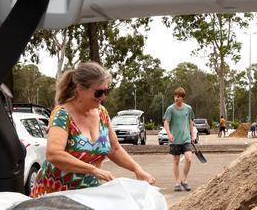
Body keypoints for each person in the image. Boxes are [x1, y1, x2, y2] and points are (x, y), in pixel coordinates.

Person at [30, 62, 155, 198]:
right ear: (79, 88)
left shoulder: (102, 113)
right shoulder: (62, 114)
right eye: (99, 92)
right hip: (55, 195)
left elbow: (114, 149)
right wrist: (93, 170)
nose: (103, 97)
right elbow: (54, 154)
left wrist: (137, 169)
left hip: (88, 195)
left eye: (106, 91)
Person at [163, 87, 195, 191]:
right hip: (175, 139)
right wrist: (169, 134)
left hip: (186, 139)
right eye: (175, 96)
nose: (176, 98)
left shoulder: (188, 109)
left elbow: (190, 122)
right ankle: (177, 182)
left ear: (183, 98)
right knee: (176, 161)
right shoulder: (170, 109)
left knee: (189, 158)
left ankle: (184, 181)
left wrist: (192, 135)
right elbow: (166, 122)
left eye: (179, 97)